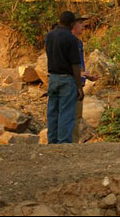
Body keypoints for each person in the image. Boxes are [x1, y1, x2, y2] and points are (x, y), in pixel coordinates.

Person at [45, 11, 84, 144]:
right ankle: (63, 144)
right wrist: (79, 87)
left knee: (53, 112)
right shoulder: (71, 39)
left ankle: (52, 141)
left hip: (53, 77)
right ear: (72, 23)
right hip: (67, 79)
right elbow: (75, 64)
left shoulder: (49, 36)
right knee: (66, 113)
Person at [71, 12, 100, 143]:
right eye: (80, 23)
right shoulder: (70, 42)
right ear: (73, 25)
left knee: (76, 117)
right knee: (73, 117)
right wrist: (79, 76)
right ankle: (69, 145)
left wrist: (86, 75)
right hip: (72, 84)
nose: (83, 26)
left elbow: (78, 65)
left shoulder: (79, 42)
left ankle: (71, 144)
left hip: (78, 82)